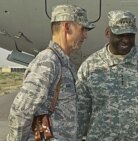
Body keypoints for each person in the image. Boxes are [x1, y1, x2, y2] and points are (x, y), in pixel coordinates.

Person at [76, 10, 138, 141]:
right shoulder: (90, 67)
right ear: (107, 33)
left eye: (130, 35)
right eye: (120, 35)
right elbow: (80, 113)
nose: (126, 40)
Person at [6, 4, 95, 141]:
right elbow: (21, 111)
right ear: (67, 27)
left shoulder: (64, 63)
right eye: (83, 29)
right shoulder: (48, 62)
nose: (85, 36)